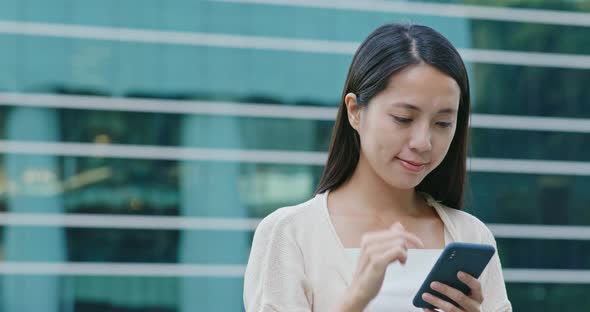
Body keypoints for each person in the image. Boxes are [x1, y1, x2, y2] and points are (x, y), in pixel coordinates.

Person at [243, 23, 512, 312]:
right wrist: (356, 299)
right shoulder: (290, 234)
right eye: (403, 118)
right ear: (355, 111)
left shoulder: (471, 236)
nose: (423, 142)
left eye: (443, 123)